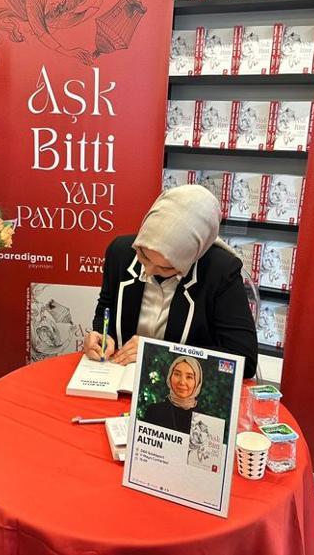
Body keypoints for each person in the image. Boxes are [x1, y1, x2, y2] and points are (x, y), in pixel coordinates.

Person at [83, 184, 258, 377]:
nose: (148, 271)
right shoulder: (121, 252)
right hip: (118, 377)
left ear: (193, 256)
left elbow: (244, 362)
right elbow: (106, 308)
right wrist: (101, 335)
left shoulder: (221, 272)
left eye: (166, 267)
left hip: (180, 388)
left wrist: (160, 354)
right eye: (144, 255)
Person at [143, 356, 203, 434]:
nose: (182, 382)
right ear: (170, 377)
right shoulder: (154, 411)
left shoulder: (204, 420)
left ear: (197, 382)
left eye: (189, 377)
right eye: (177, 374)